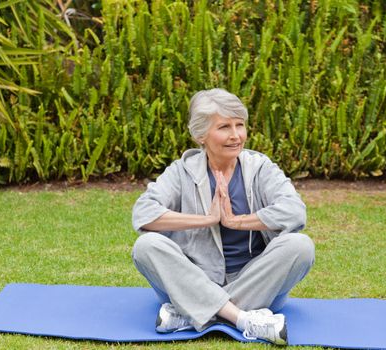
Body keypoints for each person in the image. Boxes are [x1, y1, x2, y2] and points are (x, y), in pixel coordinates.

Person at [131, 88, 315, 345]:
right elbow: (143, 214)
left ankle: (192, 313)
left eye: (240, 125)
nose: (235, 136)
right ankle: (243, 319)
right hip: (194, 277)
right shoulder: (181, 171)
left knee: (300, 246)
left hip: (253, 281)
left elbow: (295, 211)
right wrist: (208, 219)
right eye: (224, 127)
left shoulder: (259, 167)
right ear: (200, 135)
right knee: (146, 246)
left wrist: (235, 221)